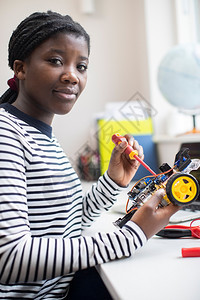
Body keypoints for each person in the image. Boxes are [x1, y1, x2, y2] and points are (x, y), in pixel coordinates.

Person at [0, 11, 179, 299]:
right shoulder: (6, 133)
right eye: (56, 61)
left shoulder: (41, 136)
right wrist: (132, 235)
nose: (72, 75)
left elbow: (67, 225)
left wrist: (113, 181)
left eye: (81, 66)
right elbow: (9, 258)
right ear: (20, 68)